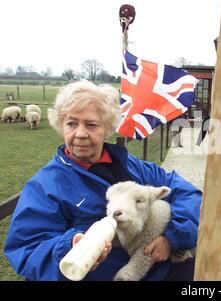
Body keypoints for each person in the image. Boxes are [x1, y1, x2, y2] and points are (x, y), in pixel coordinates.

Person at [3, 80, 202, 281]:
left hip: (165, 270)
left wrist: (173, 237)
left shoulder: (131, 166)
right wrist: (68, 247)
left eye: (91, 124)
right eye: (71, 123)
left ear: (107, 128)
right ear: (61, 124)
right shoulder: (45, 187)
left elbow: (188, 193)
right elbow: (26, 249)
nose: (80, 134)